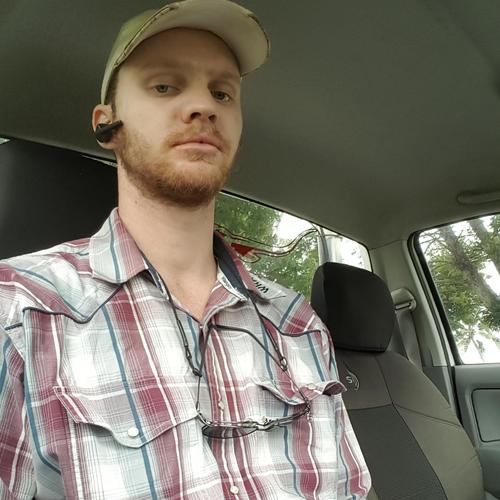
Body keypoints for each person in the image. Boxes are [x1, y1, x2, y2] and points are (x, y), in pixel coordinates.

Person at [0, 0, 371, 498]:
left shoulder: (297, 324)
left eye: (222, 92)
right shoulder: (19, 307)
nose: (204, 106)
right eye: (164, 86)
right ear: (107, 123)